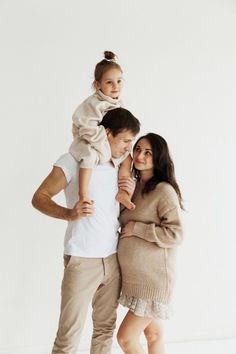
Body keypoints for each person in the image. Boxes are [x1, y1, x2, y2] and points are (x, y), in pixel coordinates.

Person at [31, 108, 140, 354]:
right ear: (107, 133)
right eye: (125, 140)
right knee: (68, 336)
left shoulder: (119, 164)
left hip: (113, 259)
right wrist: (70, 213)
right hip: (81, 259)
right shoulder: (73, 160)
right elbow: (39, 197)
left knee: (104, 331)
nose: (128, 147)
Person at [116, 133, 184, 354]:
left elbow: (176, 234)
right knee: (153, 335)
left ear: (159, 158)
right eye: (137, 149)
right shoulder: (134, 187)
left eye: (148, 153)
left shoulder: (163, 191)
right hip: (136, 279)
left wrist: (138, 229)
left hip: (153, 279)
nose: (139, 156)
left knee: (126, 338)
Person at [69, 50, 135, 210]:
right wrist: (104, 142)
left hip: (105, 145)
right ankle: (83, 194)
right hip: (88, 142)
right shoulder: (94, 103)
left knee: (128, 157)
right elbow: (86, 127)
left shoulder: (117, 103)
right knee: (90, 157)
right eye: (109, 82)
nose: (115, 87)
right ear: (97, 85)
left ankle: (123, 193)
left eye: (119, 81)